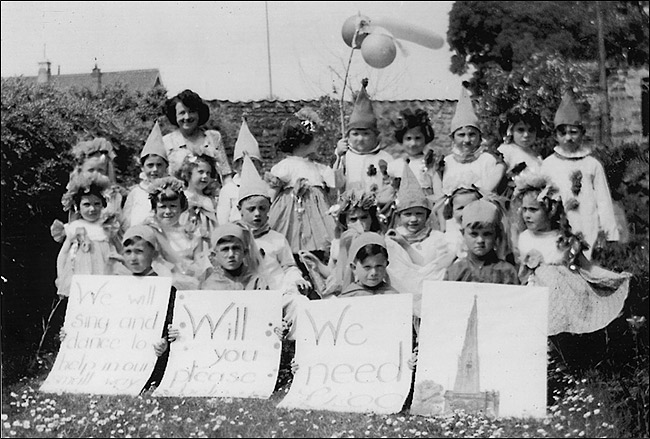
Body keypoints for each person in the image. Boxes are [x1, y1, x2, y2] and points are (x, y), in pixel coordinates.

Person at [513, 172, 630, 336]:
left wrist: (612, 278)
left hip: (567, 299)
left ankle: (564, 350)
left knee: (563, 335)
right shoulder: (524, 237)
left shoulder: (563, 240)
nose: (527, 215)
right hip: (535, 295)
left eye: (533, 210)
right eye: (524, 209)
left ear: (551, 210)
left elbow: (587, 268)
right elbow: (520, 272)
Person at [540, 91, 620, 260]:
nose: (568, 138)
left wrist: (608, 233)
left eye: (573, 132)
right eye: (563, 133)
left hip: (587, 220)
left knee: (587, 261)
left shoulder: (592, 164)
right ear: (555, 136)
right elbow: (542, 196)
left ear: (582, 133)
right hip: (560, 221)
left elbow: (603, 200)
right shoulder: (548, 164)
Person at [236, 154, 310, 324]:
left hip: (277, 291)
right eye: (251, 209)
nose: (257, 214)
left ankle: (296, 341)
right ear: (240, 209)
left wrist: (295, 279)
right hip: (246, 293)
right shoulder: (235, 237)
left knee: (299, 304)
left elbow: (289, 266)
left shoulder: (276, 239)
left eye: (262, 209)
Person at [266, 107, 337, 266]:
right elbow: (271, 194)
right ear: (302, 140)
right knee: (289, 246)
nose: (318, 142)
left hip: (317, 221)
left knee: (319, 248)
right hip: (290, 217)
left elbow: (336, 183)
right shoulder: (286, 166)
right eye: (315, 138)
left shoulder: (318, 168)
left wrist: (339, 156)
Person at [384, 164, 455, 320]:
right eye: (408, 214)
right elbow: (395, 272)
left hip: (430, 297)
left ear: (427, 215)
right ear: (399, 216)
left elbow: (434, 269)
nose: (414, 219)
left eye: (419, 213)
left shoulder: (437, 238)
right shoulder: (391, 240)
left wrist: (405, 245)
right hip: (402, 296)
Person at [118, 225, 179, 393]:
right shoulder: (117, 288)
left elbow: (171, 323)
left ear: (153, 253)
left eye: (139, 251)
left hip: (153, 357)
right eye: (128, 252)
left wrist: (166, 340)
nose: (133, 258)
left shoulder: (165, 289)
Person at [299, 188, 384, 298]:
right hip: (345, 293)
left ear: (372, 218)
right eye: (353, 219)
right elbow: (333, 274)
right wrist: (316, 262)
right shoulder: (338, 243)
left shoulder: (379, 241)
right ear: (345, 222)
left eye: (364, 218)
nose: (360, 224)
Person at [52, 172, 123, 298]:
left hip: (105, 273)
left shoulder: (107, 225)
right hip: (80, 274)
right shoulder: (74, 227)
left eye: (97, 204)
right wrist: (60, 275)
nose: (92, 209)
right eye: (86, 204)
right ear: (78, 207)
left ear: (103, 204)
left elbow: (120, 249)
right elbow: (63, 253)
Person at [143, 176, 211, 289]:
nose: (168, 211)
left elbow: (199, 261)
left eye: (173, 206)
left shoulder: (192, 232)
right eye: (162, 207)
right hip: (157, 284)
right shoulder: (150, 231)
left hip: (187, 284)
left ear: (181, 208)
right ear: (155, 209)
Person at [334, 79, 395, 206]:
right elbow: (336, 183)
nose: (360, 139)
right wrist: (338, 156)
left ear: (375, 136)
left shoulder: (385, 158)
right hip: (351, 210)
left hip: (378, 208)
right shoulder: (346, 157)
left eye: (366, 134)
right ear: (348, 137)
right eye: (355, 134)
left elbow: (391, 186)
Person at [441, 87, 506, 195]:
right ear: (452, 138)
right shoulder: (447, 162)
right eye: (461, 135)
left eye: (472, 135)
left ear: (480, 137)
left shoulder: (488, 160)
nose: (467, 140)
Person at [387, 108, 444, 228]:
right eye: (408, 139)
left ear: (425, 139)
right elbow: (390, 191)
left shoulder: (431, 163)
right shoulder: (395, 166)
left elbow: (438, 192)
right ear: (401, 140)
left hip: (426, 209)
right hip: (404, 211)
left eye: (418, 138)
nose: (413, 143)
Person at [162, 89, 232, 182]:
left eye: (191, 111)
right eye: (182, 113)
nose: (187, 117)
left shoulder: (213, 137)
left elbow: (225, 173)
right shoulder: (167, 141)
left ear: (199, 113)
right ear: (175, 116)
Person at [443, 198, 519, 284]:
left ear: (496, 234)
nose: (480, 240)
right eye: (474, 234)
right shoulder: (455, 272)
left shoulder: (507, 272)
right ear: (463, 233)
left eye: (487, 234)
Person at [64, 137, 127, 222]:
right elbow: (73, 220)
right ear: (81, 170)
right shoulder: (77, 192)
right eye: (91, 170)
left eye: (101, 171)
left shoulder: (115, 195)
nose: (95, 175)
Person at [216, 118, 265, 225]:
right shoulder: (229, 189)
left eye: (253, 161)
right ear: (235, 166)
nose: (248, 165)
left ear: (260, 165)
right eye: (242, 162)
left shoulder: (265, 187)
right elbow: (222, 220)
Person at [122, 121, 169, 230]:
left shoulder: (170, 190)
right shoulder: (136, 192)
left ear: (166, 166)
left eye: (159, 165)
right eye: (150, 165)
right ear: (142, 167)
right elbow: (126, 222)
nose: (155, 169)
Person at [200, 222, 268, 291]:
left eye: (236, 248)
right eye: (225, 249)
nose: (231, 255)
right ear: (214, 255)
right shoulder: (210, 285)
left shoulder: (256, 281)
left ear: (244, 252)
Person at [177, 153, 220, 254]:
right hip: (188, 240)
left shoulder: (210, 200)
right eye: (200, 172)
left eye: (208, 173)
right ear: (188, 174)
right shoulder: (183, 196)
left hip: (208, 243)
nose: (205, 176)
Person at [339, 232, 398, 297]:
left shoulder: (393, 296)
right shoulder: (347, 298)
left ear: (386, 265)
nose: (374, 273)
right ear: (354, 267)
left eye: (379, 266)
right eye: (367, 267)